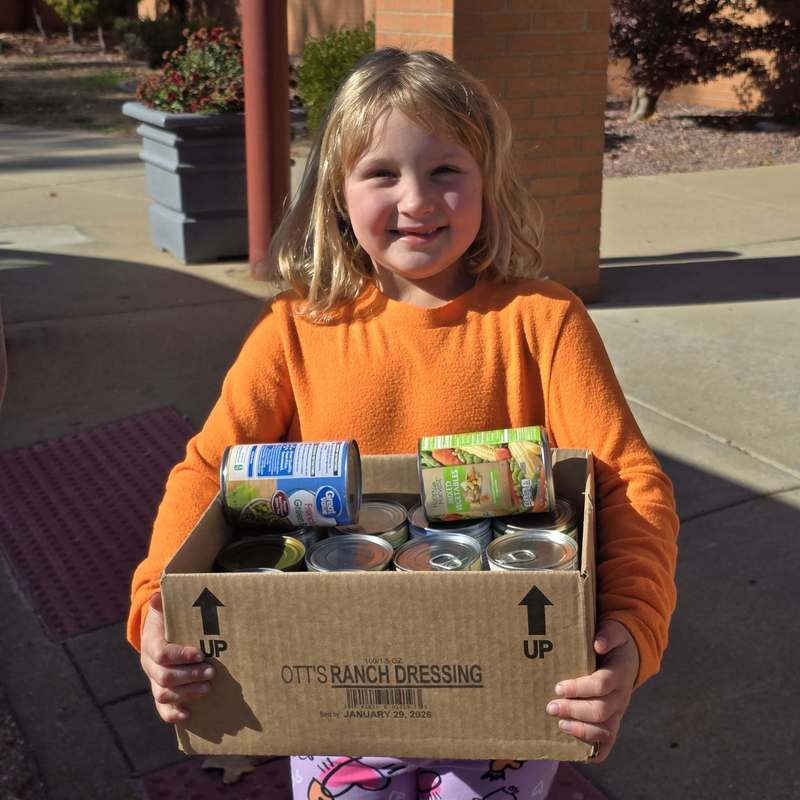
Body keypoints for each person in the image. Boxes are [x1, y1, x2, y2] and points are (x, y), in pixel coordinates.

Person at [128, 48, 679, 800]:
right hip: (330, 687)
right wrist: (158, 605)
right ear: (337, 194)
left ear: (487, 183)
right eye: (382, 173)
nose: (417, 199)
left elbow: (628, 481)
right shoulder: (294, 332)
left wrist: (632, 626)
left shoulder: (543, 322)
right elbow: (204, 473)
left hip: (503, 690)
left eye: (446, 170)